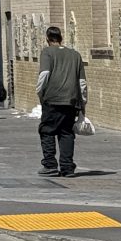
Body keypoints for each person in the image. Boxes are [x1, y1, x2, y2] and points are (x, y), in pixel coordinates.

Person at [36, 26, 88, 178]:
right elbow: (82, 82)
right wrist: (83, 102)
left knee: (47, 130)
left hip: (52, 98)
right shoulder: (75, 55)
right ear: (61, 38)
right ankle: (67, 167)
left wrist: (40, 93)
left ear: (47, 38)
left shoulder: (47, 52)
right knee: (66, 132)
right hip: (71, 100)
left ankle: (50, 164)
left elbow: (44, 74)